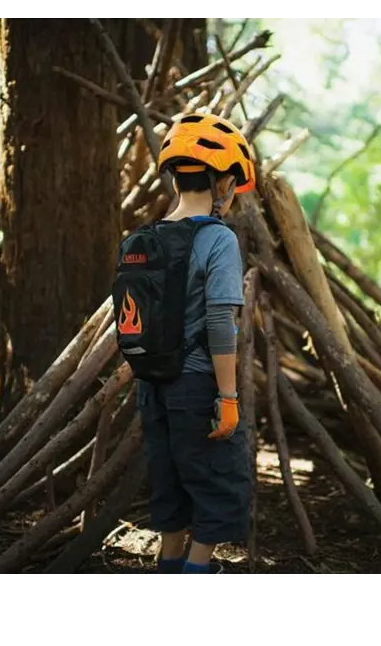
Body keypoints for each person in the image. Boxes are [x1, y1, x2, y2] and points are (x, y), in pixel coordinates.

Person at [116, 113, 256, 577]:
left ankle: (169, 565)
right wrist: (229, 397)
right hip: (197, 385)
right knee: (217, 484)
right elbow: (220, 322)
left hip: (151, 384)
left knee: (169, 482)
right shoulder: (218, 239)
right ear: (222, 182)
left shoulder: (142, 237)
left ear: (174, 176)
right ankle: (198, 571)